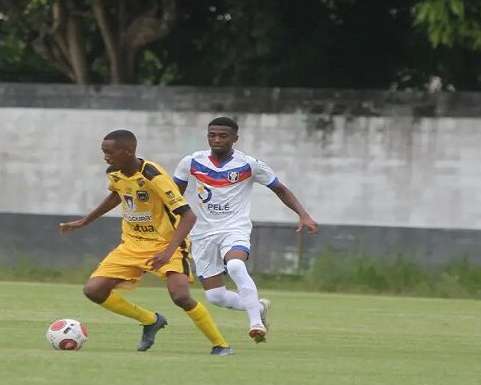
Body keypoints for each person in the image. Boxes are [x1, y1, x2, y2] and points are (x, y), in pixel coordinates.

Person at [59, 130, 234, 355]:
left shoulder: (153, 176)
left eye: (109, 152)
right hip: (132, 244)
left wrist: (168, 251)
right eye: (104, 152)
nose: (105, 157)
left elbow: (188, 215)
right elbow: (117, 194)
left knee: (180, 296)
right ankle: (150, 320)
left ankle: (220, 344)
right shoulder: (114, 172)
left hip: (166, 244)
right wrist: (85, 221)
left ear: (128, 151)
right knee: (94, 290)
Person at [173, 117, 318, 343]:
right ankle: (258, 307)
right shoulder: (191, 162)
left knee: (235, 264)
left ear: (234, 138)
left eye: (223, 136)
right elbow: (173, 196)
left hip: (234, 228)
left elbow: (280, 188)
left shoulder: (249, 164)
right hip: (201, 234)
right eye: (212, 135)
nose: (217, 140)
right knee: (216, 296)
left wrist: (303, 214)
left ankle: (256, 324)